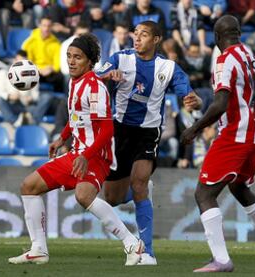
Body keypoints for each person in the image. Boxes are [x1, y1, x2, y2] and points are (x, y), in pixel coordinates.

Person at [8, 33, 144, 265]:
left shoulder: (95, 88)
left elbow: (107, 130)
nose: (71, 61)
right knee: (29, 186)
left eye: (77, 57)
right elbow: (75, 118)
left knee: (84, 195)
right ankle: (39, 249)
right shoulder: (73, 82)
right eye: (69, 56)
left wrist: (86, 155)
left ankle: (132, 243)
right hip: (76, 153)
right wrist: (61, 138)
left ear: (90, 61)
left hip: (96, 156)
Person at [180, 15, 255, 273]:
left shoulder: (224, 60)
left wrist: (195, 129)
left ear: (217, 38)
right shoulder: (249, 55)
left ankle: (221, 259)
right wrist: (247, 112)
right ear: (238, 33)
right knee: (239, 187)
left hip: (234, 134)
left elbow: (219, 104)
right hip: (254, 130)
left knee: (204, 194)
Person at [98, 20, 201, 265]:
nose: (137, 38)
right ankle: (137, 193)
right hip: (119, 131)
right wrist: (106, 77)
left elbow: (187, 92)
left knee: (140, 182)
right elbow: (94, 80)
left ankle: (148, 253)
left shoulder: (168, 67)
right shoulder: (120, 58)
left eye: (143, 34)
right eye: (136, 34)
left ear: (156, 39)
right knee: (111, 198)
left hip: (148, 132)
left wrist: (192, 100)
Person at [0, 50, 53, 127]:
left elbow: (35, 94)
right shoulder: (3, 72)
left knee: (47, 96)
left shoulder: (32, 75)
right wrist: (9, 96)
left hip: (27, 107)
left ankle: (34, 121)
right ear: (14, 61)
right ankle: (15, 122)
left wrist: (31, 98)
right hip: (11, 105)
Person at [22, 16, 64, 92]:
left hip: (49, 72)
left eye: (49, 26)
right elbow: (26, 61)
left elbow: (57, 63)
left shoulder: (56, 43)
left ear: (52, 27)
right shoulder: (30, 42)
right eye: (44, 25)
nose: (46, 29)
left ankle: (59, 100)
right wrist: (38, 69)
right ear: (40, 26)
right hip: (34, 71)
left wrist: (51, 69)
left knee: (61, 77)